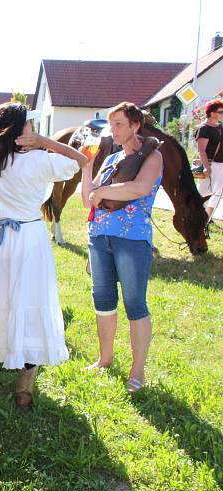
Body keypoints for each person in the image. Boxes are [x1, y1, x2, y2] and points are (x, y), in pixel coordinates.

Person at [0, 102, 88, 407]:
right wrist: (43, 142)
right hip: (28, 239)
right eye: (29, 125)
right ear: (20, 130)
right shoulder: (38, 161)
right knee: (31, 301)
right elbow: (81, 160)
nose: (32, 129)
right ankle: (24, 392)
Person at [81, 102, 162, 394]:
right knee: (102, 300)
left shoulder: (153, 157)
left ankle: (137, 372)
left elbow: (139, 188)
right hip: (99, 237)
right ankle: (104, 360)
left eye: (118, 124)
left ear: (135, 125)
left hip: (132, 239)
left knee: (134, 303)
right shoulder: (111, 159)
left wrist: (101, 192)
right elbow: (85, 199)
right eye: (110, 124)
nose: (112, 130)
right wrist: (87, 169)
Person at [195, 99, 223, 221]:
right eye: (220, 111)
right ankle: (196, 218)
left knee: (216, 194)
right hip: (210, 164)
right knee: (203, 193)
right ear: (212, 113)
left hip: (221, 164)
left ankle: (206, 220)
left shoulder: (220, 127)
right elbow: (202, 151)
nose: (222, 114)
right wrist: (207, 167)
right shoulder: (204, 129)